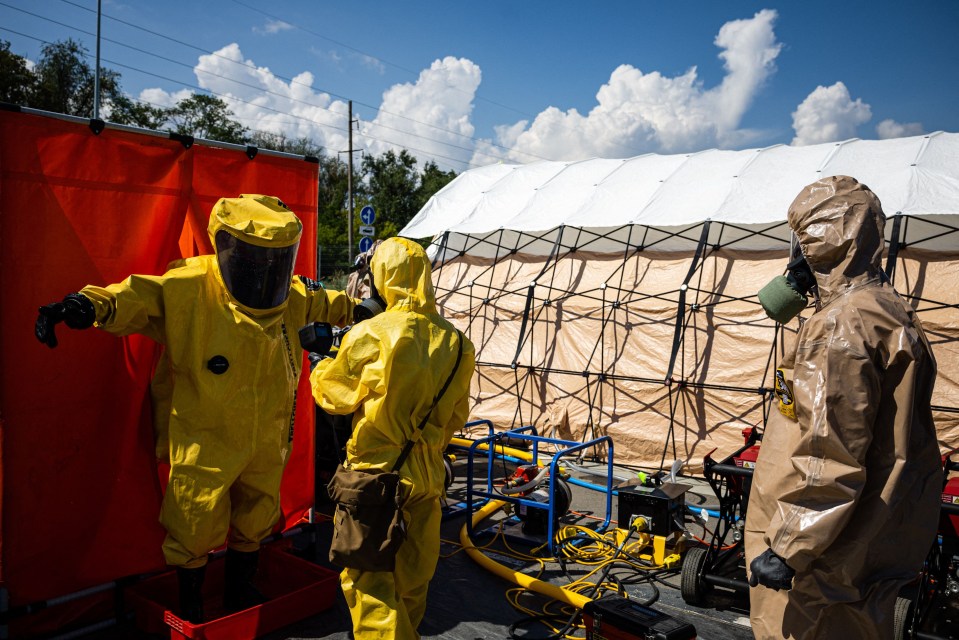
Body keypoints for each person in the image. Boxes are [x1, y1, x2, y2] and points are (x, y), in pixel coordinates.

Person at [34, 194, 356, 623]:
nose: (263, 271)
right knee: (193, 518)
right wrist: (84, 305)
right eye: (253, 259)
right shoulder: (189, 288)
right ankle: (192, 604)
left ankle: (241, 590)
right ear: (226, 247)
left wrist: (372, 308)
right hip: (205, 436)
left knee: (256, 511)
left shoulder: (293, 296)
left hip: (268, 435)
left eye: (273, 261)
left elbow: (333, 303)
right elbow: (134, 295)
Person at [745, 175, 942, 638]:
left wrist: (789, 546)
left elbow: (829, 452)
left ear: (822, 243)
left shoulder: (838, 327)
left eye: (800, 243)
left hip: (821, 554)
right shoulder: (887, 309)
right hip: (869, 535)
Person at [310, 236, 475, 640]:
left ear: (383, 277)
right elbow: (456, 416)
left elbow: (334, 397)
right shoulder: (457, 343)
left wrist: (318, 363)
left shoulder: (370, 334)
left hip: (375, 480)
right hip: (428, 478)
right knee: (413, 578)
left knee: (368, 581)